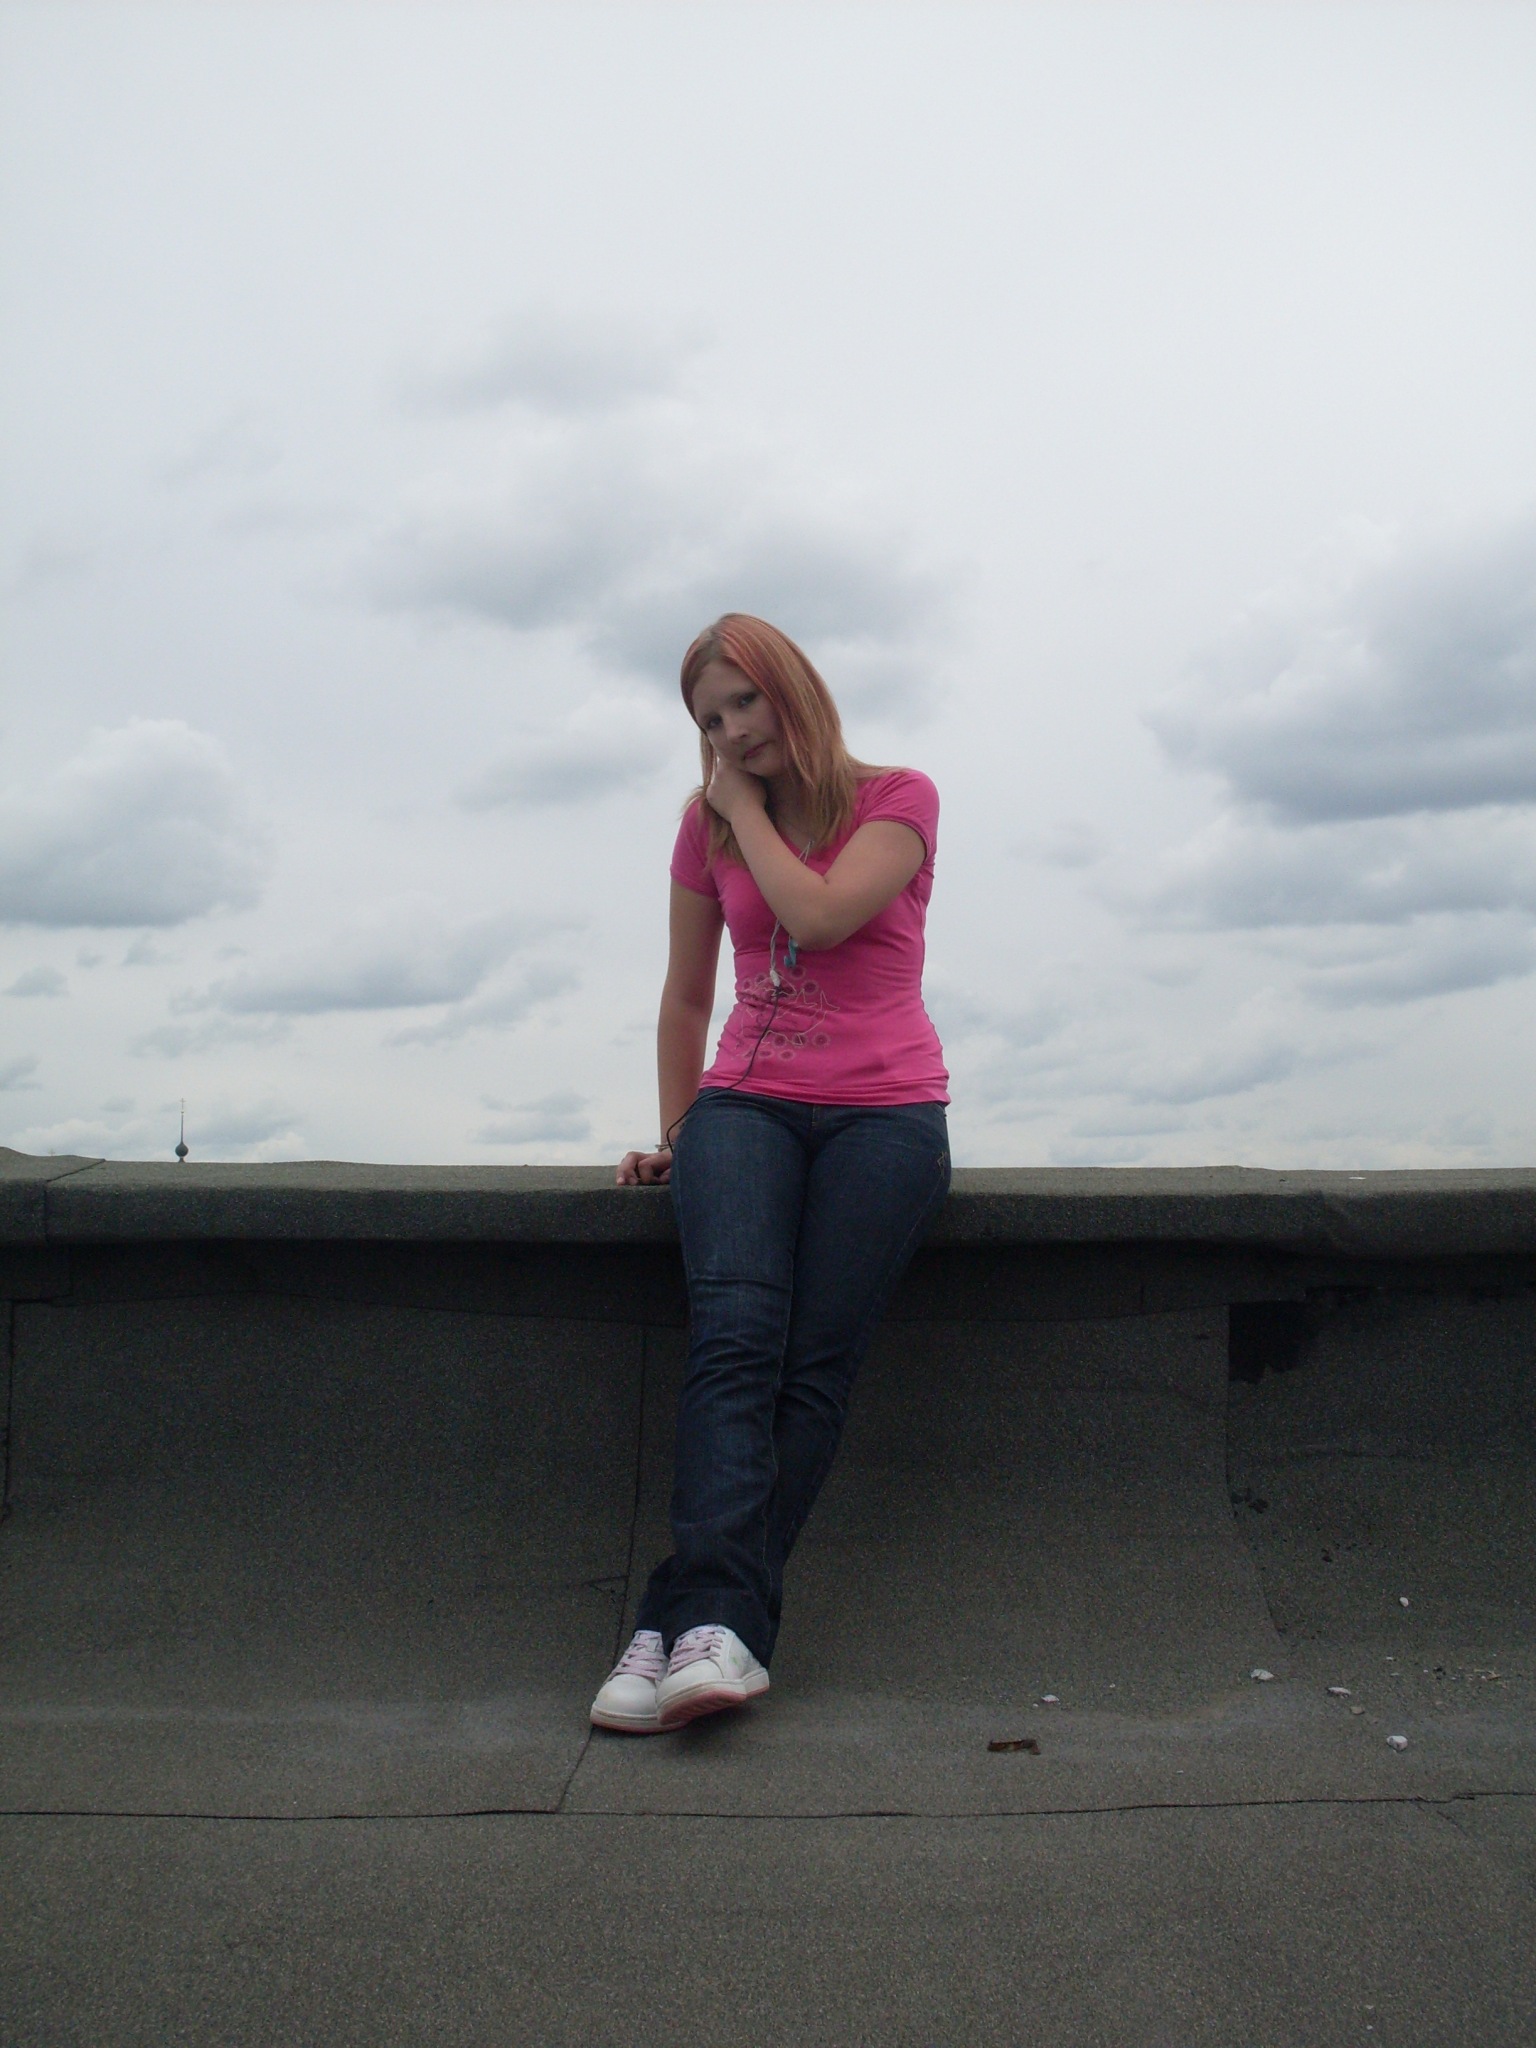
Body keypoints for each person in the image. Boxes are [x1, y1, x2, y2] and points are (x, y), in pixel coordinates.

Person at [591, 613, 951, 1735]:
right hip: (743, 1106)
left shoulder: (899, 798)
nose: (732, 731)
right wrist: (682, 1127)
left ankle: (680, 1619)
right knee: (734, 1341)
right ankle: (718, 1631)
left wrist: (742, 812)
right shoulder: (698, 830)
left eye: (744, 701)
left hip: (886, 1114)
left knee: (814, 1364)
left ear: (792, 686)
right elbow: (686, 996)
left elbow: (822, 917)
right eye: (709, 719)